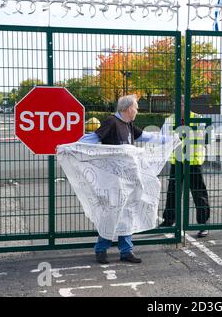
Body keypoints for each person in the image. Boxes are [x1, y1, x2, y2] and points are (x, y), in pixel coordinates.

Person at [79, 94, 169, 264]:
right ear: (129, 109)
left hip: (128, 179)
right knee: (112, 213)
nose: (137, 110)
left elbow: (145, 137)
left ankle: (126, 251)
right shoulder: (112, 122)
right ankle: (101, 249)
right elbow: (93, 138)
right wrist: (71, 145)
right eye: (136, 107)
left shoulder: (128, 124)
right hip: (113, 180)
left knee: (127, 212)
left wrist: (169, 140)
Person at [160, 96, 210, 238]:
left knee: (199, 193)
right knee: (173, 192)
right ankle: (169, 220)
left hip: (194, 162)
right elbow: (162, 137)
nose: (180, 106)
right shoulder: (170, 120)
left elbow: (207, 138)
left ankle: (203, 224)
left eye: (182, 103)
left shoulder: (198, 118)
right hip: (177, 161)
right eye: (177, 103)